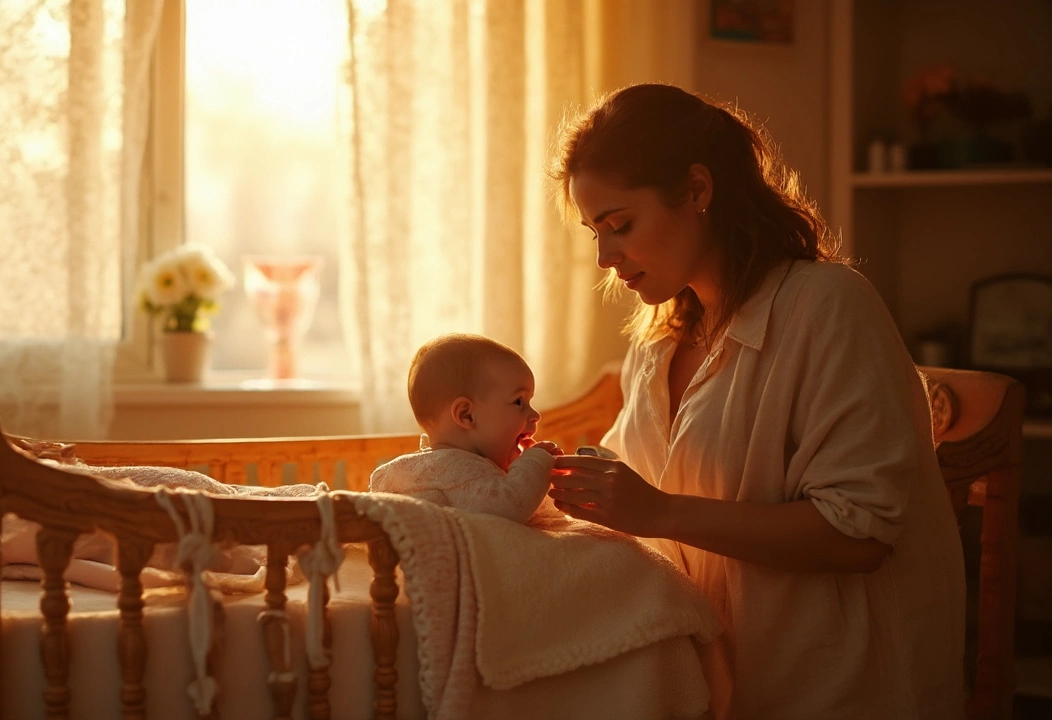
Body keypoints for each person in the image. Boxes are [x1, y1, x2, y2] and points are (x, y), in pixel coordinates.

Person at [545, 83, 965, 719]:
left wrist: (659, 511)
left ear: (697, 190)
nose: (605, 257)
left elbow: (859, 536)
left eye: (620, 225)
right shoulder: (660, 339)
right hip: (713, 683)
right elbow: (631, 489)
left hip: (836, 690)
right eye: (593, 233)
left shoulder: (826, 306)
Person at [369, 333, 564, 524]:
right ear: (466, 415)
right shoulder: (454, 467)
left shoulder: (429, 468)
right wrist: (535, 464)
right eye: (519, 401)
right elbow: (512, 505)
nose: (535, 415)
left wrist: (515, 468)